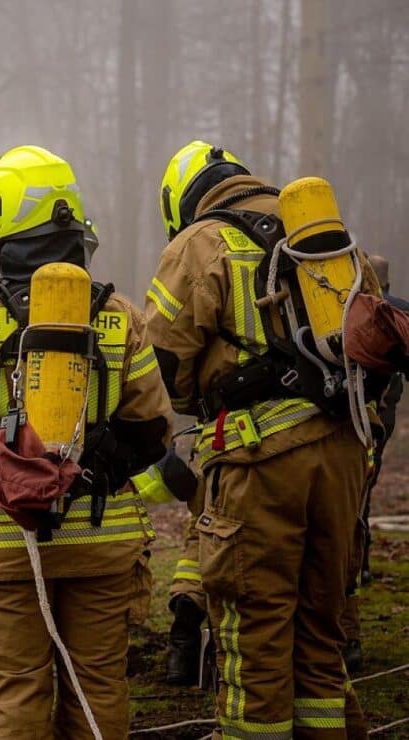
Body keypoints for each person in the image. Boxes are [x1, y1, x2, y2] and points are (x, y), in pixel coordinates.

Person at [0, 146, 172, 738]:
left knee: (17, 690)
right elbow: (154, 428)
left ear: (0, 231)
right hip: (101, 541)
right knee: (98, 687)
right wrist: (94, 468)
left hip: (2, 542)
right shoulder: (121, 316)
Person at [145, 140, 382, 738]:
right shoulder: (325, 236)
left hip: (260, 464)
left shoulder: (200, 243)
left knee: (255, 634)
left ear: (182, 201)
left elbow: (162, 361)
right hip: (345, 453)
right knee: (321, 632)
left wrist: (200, 400)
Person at [340, 255, 407, 672]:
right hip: (376, 422)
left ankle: (358, 569)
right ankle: (359, 569)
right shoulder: (392, 309)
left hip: (360, 423)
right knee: (359, 504)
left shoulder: (352, 310)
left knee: (352, 510)